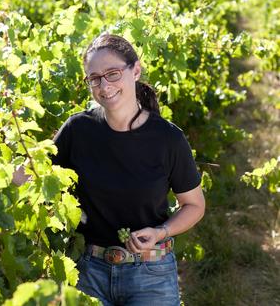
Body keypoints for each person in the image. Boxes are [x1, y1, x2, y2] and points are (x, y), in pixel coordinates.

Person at [52, 33, 205, 306]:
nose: (104, 85)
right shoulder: (77, 130)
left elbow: (194, 205)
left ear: (135, 70)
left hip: (152, 274)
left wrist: (160, 233)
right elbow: (39, 176)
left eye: (112, 73)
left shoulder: (168, 139)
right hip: (89, 272)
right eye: (94, 78)